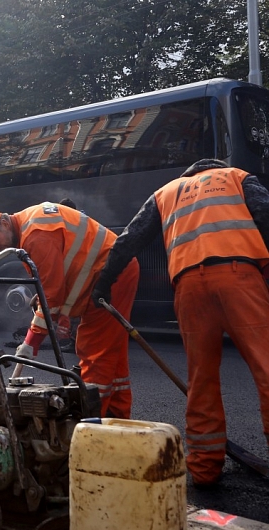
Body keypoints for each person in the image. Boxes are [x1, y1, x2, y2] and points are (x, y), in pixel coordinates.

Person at [92, 158, 269, 487]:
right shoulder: (237, 177)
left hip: (188, 287)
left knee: (201, 381)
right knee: (266, 368)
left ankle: (204, 467)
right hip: (239, 278)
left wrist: (104, 282)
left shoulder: (165, 193)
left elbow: (128, 239)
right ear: (214, 168)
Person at [0, 203, 140, 418]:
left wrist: (30, 343)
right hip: (112, 271)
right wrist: (51, 305)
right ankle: (117, 420)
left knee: (94, 351)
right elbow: (60, 276)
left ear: (4, 224)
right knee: (112, 353)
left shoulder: (35, 235)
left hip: (110, 276)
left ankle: (90, 424)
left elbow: (52, 295)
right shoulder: (30, 224)